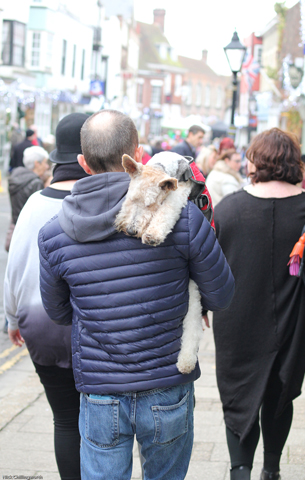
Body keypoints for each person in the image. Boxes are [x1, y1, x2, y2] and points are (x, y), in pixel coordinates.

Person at [38, 109, 235, 480]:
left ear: (82, 162)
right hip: (166, 385)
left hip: (100, 390)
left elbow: (59, 312)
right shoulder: (183, 217)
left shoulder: (53, 234)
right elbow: (222, 295)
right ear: (138, 153)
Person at [212, 128, 305, 480]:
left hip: (237, 317)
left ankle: (239, 471)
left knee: (238, 395)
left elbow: (208, 266)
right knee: (280, 394)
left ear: (254, 161)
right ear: (294, 162)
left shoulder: (229, 209)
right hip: (295, 318)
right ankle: (271, 470)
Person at [4, 112, 90, 480]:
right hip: (95, 332)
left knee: (65, 420)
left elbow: (14, 271)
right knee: (99, 421)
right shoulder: (104, 204)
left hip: (41, 327)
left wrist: (11, 319)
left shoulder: (34, 206)